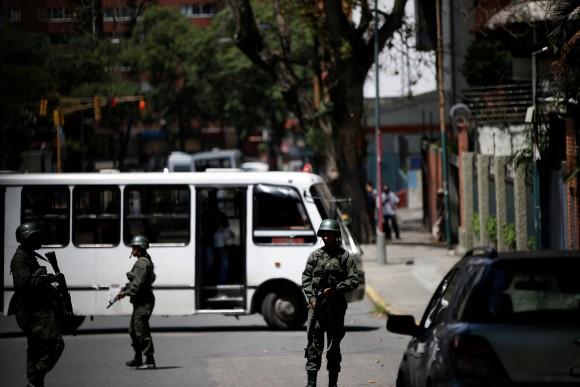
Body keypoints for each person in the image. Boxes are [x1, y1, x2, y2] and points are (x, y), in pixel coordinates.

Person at [302, 219, 360, 387]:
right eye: (324, 235)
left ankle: (332, 384)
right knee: (313, 347)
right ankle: (311, 383)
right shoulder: (315, 256)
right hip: (317, 309)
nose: (326, 238)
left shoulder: (344, 257)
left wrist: (336, 289)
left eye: (329, 234)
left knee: (334, 348)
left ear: (336, 236)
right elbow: (306, 278)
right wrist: (312, 298)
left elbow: (354, 280)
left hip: (335, 309)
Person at [9, 222, 65, 387]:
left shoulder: (29, 255)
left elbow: (34, 281)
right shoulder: (20, 258)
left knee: (35, 348)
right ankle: (35, 378)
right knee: (56, 343)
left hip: (35, 309)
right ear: (28, 238)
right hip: (31, 311)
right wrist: (43, 276)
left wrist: (52, 281)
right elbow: (23, 284)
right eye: (36, 237)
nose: (40, 239)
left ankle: (35, 383)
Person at [114, 235, 156, 369]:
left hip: (144, 302)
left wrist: (125, 292)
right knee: (133, 330)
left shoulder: (142, 263)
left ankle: (149, 360)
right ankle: (138, 358)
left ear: (141, 248)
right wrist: (126, 289)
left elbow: (138, 284)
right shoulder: (144, 261)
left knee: (141, 330)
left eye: (135, 248)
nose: (132, 251)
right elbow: (137, 281)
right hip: (141, 301)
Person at [200, 190, 230, 284]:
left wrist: (220, 227)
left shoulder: (220, 214)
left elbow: (225, 224)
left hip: (219, 243)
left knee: (224, 262)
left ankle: (221, 284)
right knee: (209, 261)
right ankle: (204, 282)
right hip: (208, 242)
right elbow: (204, 229)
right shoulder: (204, 214)